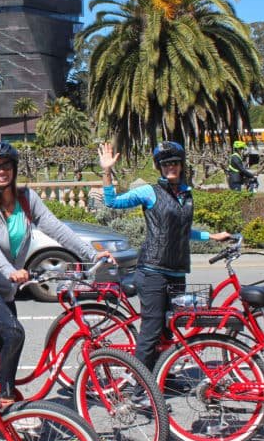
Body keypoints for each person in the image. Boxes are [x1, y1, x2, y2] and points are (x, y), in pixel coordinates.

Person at [0, 141, 115, 408]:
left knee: (8, 346)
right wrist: (11, 272)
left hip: (6, 289)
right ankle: (7, 402)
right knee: (14, 333)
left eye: (6, 166)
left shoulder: (27, 200)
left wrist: (91, 254)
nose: (1, 172)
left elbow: (57, 229)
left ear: (14, 168)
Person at [98, 141, 231, 378]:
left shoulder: (186, 194)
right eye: (165, 163)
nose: (171, 167)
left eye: (175, 163)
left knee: (168, 331)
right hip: (152, 271)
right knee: (151, 331)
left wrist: (211, 236)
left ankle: (162, 377)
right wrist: (107, 171)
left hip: (177, 271)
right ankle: (139, 387)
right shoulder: (150, 192)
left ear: (181, 165)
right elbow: (112, 202)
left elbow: (181, 230)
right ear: (159, 167)